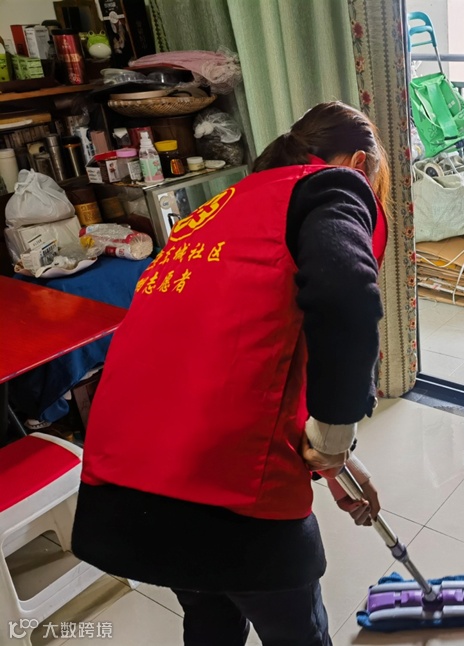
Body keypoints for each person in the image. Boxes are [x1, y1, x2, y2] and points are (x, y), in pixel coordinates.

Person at [72, 102, 390, 646]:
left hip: (129, 484)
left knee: (209, 619)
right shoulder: (332, 186)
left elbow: (239, 356)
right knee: (297, 634)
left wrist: (336, 462)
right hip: (231, 496)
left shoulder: (219, 211)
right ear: (359, 163)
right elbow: (346, 298)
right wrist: (335, 438)